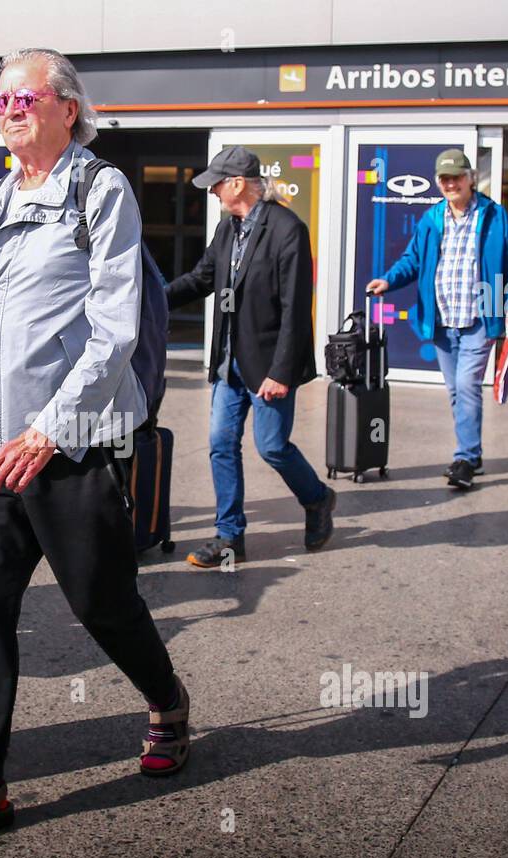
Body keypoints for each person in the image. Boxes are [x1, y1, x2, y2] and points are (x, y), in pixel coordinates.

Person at [0, 48, 188, 853]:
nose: (6, 109)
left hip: (67, 448)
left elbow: (114, 328)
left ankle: (167, 702)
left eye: (23, 97)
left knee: (102, 603)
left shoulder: (101, 190)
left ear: (67, 107)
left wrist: (49, 430)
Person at [165, 146, 334, 569]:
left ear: (238, 183)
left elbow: (297, 308)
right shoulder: (228, 229)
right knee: (221, 444)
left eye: (217, 185)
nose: (213, 193)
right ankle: (230, 536)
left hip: (267, 364)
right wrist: (151, 298)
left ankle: (317, 499)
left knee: (272, 447)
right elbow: (203, 278)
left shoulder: (287, 229)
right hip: (228, 361)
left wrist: (280, 372)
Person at [367, 149, 508, 491]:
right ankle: (474, 454)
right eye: (445, 179)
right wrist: (390, 280)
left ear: (471, 178)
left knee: (468, 386)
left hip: (479, 318)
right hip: (441, 320)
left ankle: (465, 458)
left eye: (456, 177)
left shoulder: (495, 217)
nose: (451, 184)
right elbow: (412, 259)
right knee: (456, 391)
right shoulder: (432, 219)